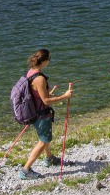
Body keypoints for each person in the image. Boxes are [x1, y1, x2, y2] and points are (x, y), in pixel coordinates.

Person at [18, 49, 73, 180]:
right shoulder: (40, 78)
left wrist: (47, 95)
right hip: (41, 114)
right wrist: (64, 96)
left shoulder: (30, 73)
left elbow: (37, 94)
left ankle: (49, 159)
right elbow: (46, 101)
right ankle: (25, 170)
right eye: (50, 59)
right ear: (45, 61)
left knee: (45, 137)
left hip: (34, 111)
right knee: (43, 141)